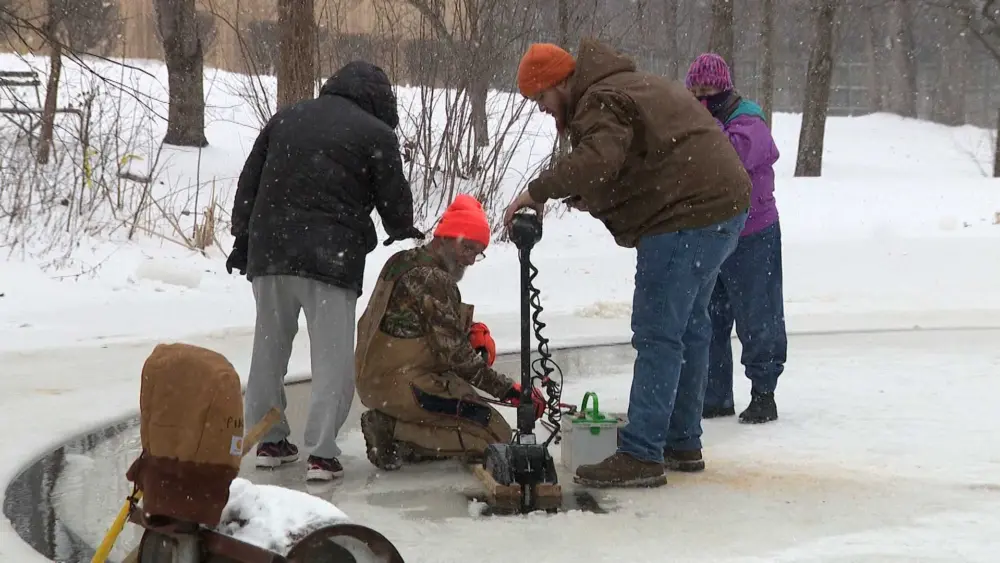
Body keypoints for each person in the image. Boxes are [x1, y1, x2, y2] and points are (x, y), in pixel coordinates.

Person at [503, 40, 751, 488]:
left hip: (685, 215)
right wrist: (580, 194)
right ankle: (681, 440)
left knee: (658, 331)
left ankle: (642, 454)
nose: (541, 109)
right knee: (690, 326)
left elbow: (600, 160)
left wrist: (538, 191)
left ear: (560, 82)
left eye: (541, 98)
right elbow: (625, 164)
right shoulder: (627, 85)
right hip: (725, 205)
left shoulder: (599, 100)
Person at [227, 60, 424, 482]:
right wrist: (402, 229)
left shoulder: (286, 118)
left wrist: (242, 238)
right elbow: (394, 201)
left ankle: (270, 440)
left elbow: (249, 184)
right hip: (330, 259)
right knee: (332, 358)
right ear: (379, 100)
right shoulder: (376, 133)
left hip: (271, 254)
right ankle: (321, 453)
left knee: (269, 350)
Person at [354, 194, 547, 471]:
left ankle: (402, 426)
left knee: (472, 413)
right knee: (495, 435)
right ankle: (392, 430)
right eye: (466, 247)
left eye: (476, 252)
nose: (469, 259)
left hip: (380, 375)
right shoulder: (433, 278)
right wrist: (509, 390)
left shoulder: (404, 260)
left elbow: (417, 325)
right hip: (402, 382)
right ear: (445, 236)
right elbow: (456, 356)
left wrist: (467, 333)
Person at [685, 53, 786, 425]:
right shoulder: (703, 121)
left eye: (707, 91)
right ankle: (714, 395)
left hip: (753, 233)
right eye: (694, 92)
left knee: (758, 314)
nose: (700, 99)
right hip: (712, 233)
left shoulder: (749, 120)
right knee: (709, 316)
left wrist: (699, 125)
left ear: (724, 89)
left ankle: (764, 391)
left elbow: (727, 157)